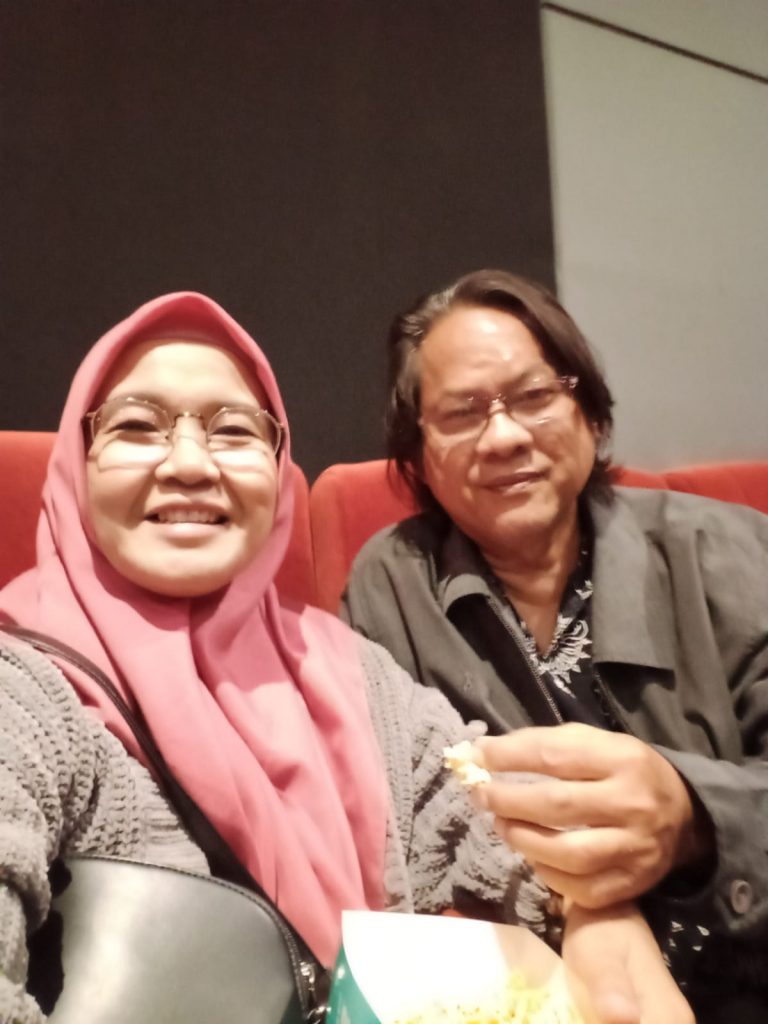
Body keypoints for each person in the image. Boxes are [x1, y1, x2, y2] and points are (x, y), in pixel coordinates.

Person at [0, 291, 690, 1024]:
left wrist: (592, 909)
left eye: (234, 430)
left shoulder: (349, 671)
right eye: (138, 426)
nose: (192, 464)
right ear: (77, 464)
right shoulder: (27, 690)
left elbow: (487, 818)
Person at [340, 269, 768, 1021]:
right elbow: (394, 811)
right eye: (461, 413)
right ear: (421, 454)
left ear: (589, 413)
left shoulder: (728, 552)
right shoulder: (392, 583)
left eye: (533, 396)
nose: (504, 436)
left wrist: (695, 819)